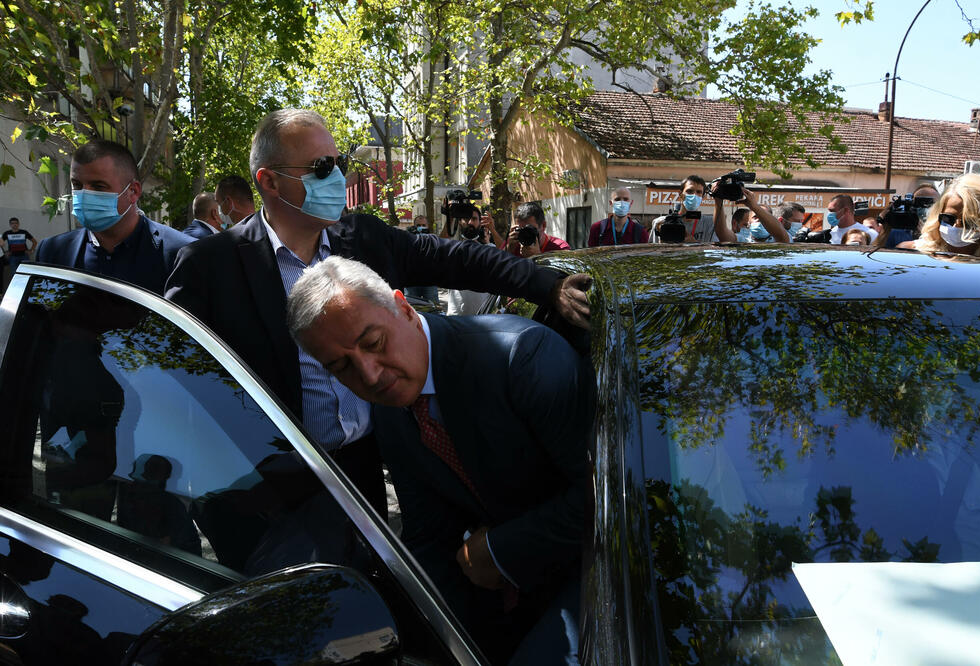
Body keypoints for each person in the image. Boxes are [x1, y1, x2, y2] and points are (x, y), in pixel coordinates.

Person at [164, 109, 591, 518]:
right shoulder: (210, 266)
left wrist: (546, 286)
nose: (336, 177)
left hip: (362, 470)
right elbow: (174, 384)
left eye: (339, 164)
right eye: (321, 167)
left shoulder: (363, 239)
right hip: (265, 487)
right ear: (270, 181)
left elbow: (457, 259)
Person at [287, 256, 594, 665]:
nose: (370, 375)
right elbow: (428, 532)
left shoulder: (522, 357)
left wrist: (499, 551)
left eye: (374, 343)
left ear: (404, 308)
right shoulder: (388, 410)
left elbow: (604, 497)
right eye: (341, 367)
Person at [36, 140, 192, 293]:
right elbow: (41, 308)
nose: (84, 195)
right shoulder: (52, 252)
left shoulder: (181, 254)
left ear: (133, 191)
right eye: (77, 185)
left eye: (98, 186)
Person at [899, 174, 980, 258]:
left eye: (968, 221)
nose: (956, 226)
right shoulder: (909, 252)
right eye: (948, 218)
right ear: (937, 215)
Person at [712, 186, 788, 243]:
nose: (759, 220)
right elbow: (723, 234)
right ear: (749, 223)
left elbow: (781, 235)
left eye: (763, 218)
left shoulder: (778, 240)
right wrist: (718, 200)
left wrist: (754, 206)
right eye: (755, 217)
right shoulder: (743, 239)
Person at [505, 202, 570, 257]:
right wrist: (508, 250)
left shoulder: (560, 249)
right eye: (520, 230)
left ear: (543, 225)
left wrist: (537, 256)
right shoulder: (513, 243)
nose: (525, 234)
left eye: (529, 229)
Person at [653, 175, 706, 242]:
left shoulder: (709, 224)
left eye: (699, 192)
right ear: (680, 194)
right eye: (689, 191)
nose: (694, 195)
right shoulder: (660, 223)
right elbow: (650, 247)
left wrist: (694, 244)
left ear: (703, 197)